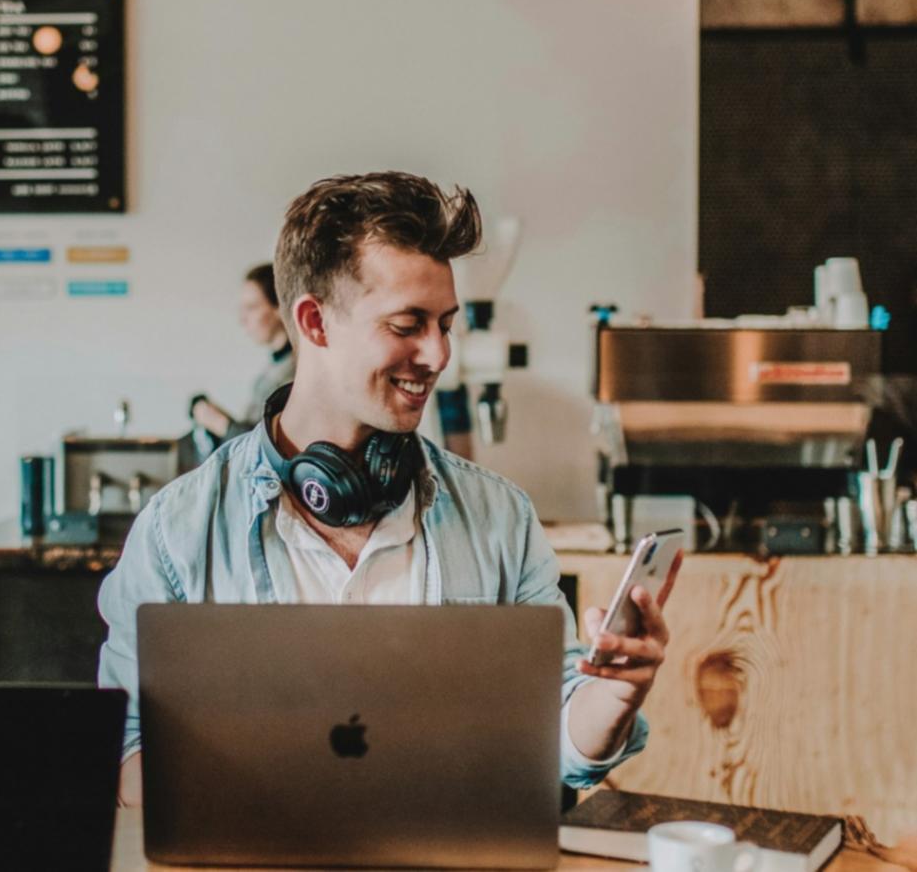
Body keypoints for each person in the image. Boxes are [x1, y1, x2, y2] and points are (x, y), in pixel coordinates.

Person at [98, 172, 680, 806]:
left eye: (445, 324)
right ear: (315, 323)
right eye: (408, 325)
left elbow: (558, 741)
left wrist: (614, 694)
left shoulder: (500, 517)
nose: (437, 355)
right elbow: (126, 751)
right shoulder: (174, 532)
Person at [191, 264, 296, 442]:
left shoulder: (297, 371)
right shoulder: (274, 367)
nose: (243, 319)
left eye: (252, 307)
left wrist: (218, 422)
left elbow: (268, 447)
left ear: (279, 307)